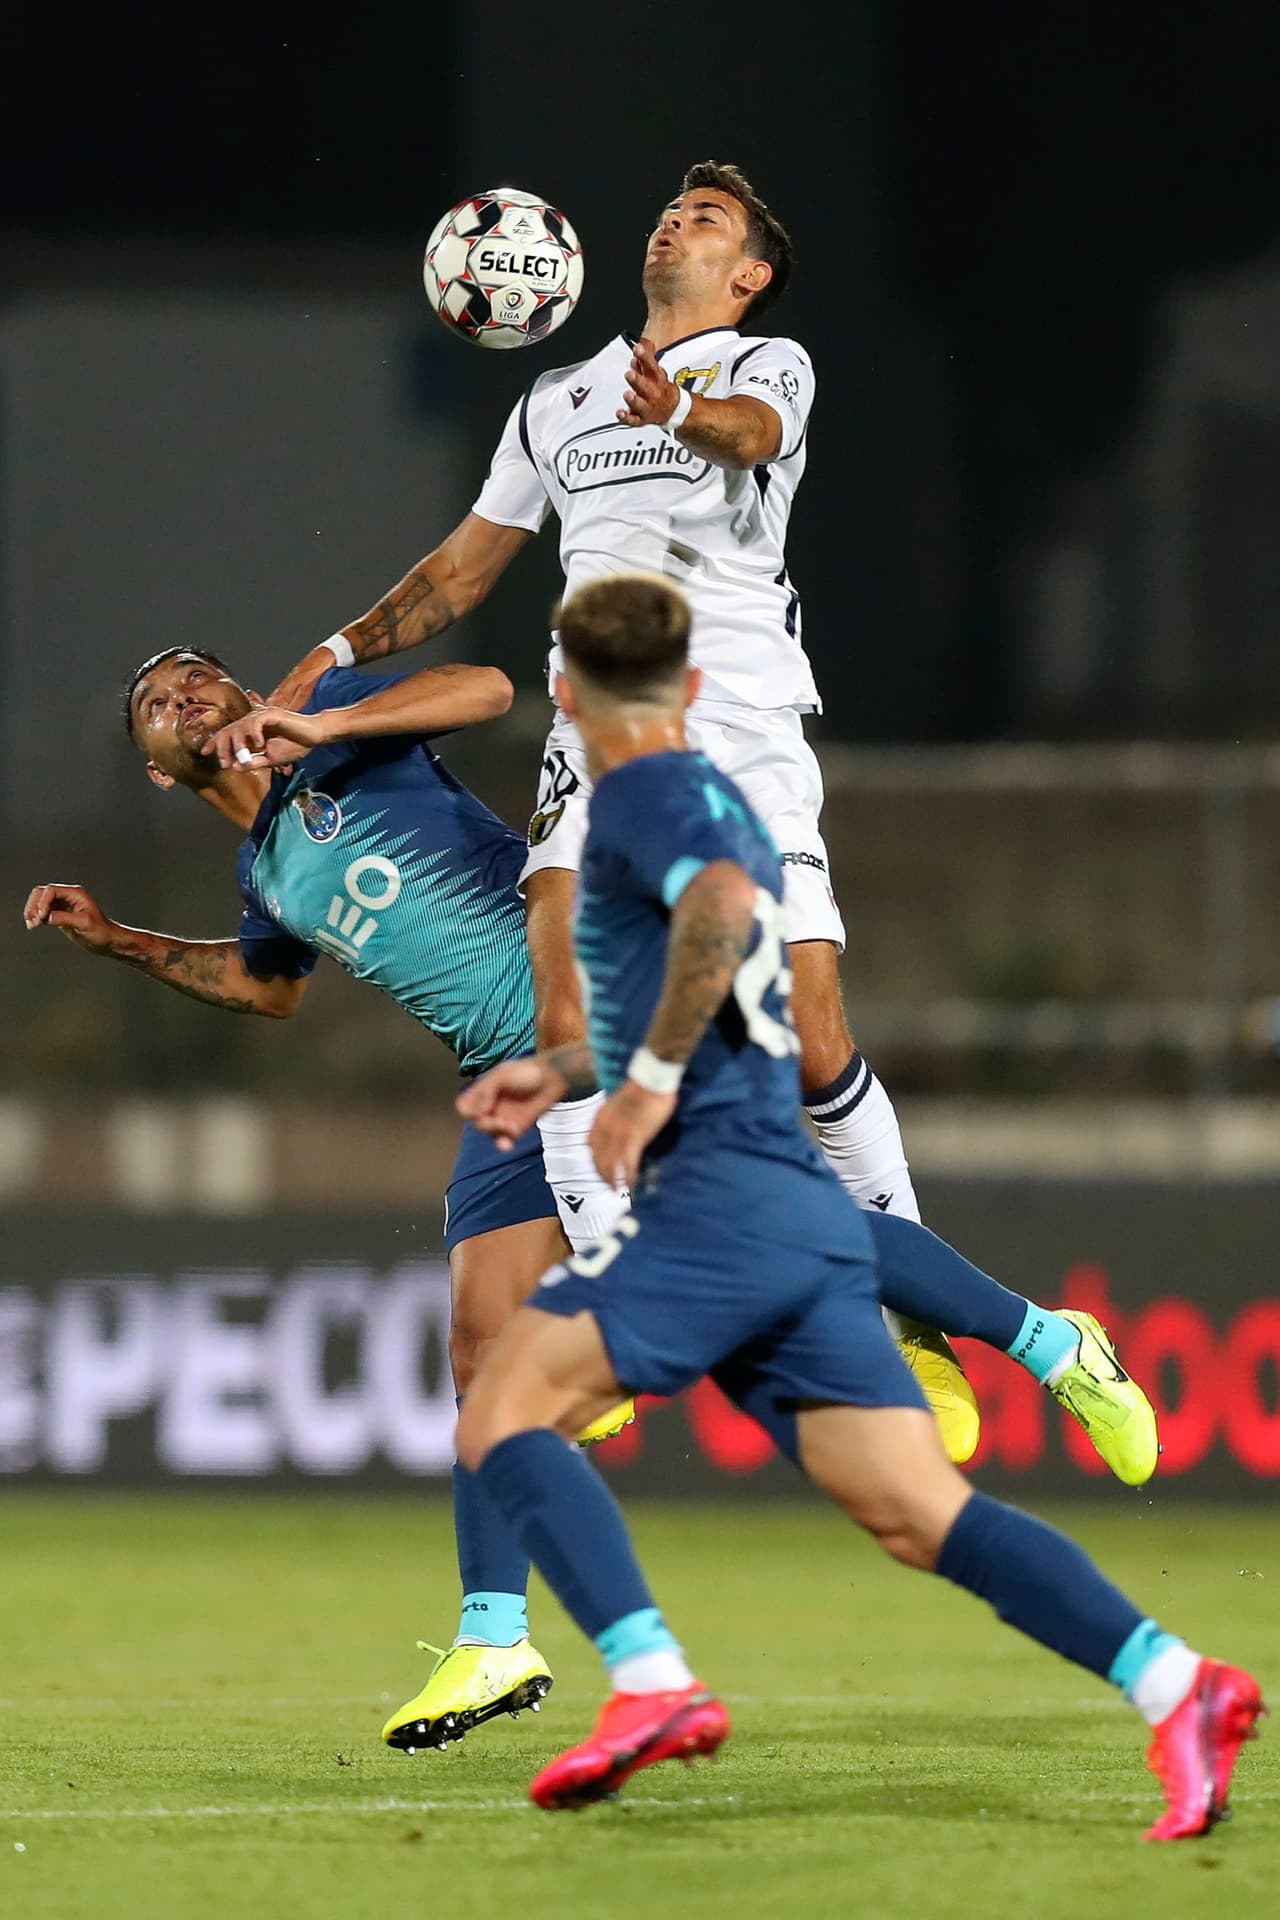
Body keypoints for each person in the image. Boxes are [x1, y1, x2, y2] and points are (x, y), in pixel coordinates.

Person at [23, 645, 1156, 1765]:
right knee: (482, 1352)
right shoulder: (264, 872)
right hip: (509, 1077)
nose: (183, 696)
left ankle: (1055, 1346)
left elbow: (483, 688)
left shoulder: (339, 726)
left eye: (196, 676)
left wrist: (321, 721)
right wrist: (116, 940)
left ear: (242, 690)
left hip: (599, 1013)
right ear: (158, 768)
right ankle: (494, 1640)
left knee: (756, 1233)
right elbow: (264, 988)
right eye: (155, 701)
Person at [452, 572, 1259, 1837]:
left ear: (562, 693)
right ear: (694, 686)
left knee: (502, 1408)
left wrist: (643, 1083)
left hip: (714, 1208)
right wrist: (564, 1071)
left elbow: (716, 919)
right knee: (920, 1514)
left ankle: (651, 1682)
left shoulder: (638, 795)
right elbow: (717, 980)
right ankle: (1178, 1685)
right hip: (796, 1215)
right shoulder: (717, 793)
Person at [263, 158, 980, 1456]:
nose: (673, 222)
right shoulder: (556, 398)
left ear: (747, 273)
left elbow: (747, 438)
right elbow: (461, 572)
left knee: (812, 1036)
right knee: (560, 993)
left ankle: (916, 1315)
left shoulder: (768, 366)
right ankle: (609, 1285)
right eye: (669, 209)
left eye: (705, 218)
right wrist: (335, 650)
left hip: (738, 715)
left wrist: (684, 410)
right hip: (595, 722)